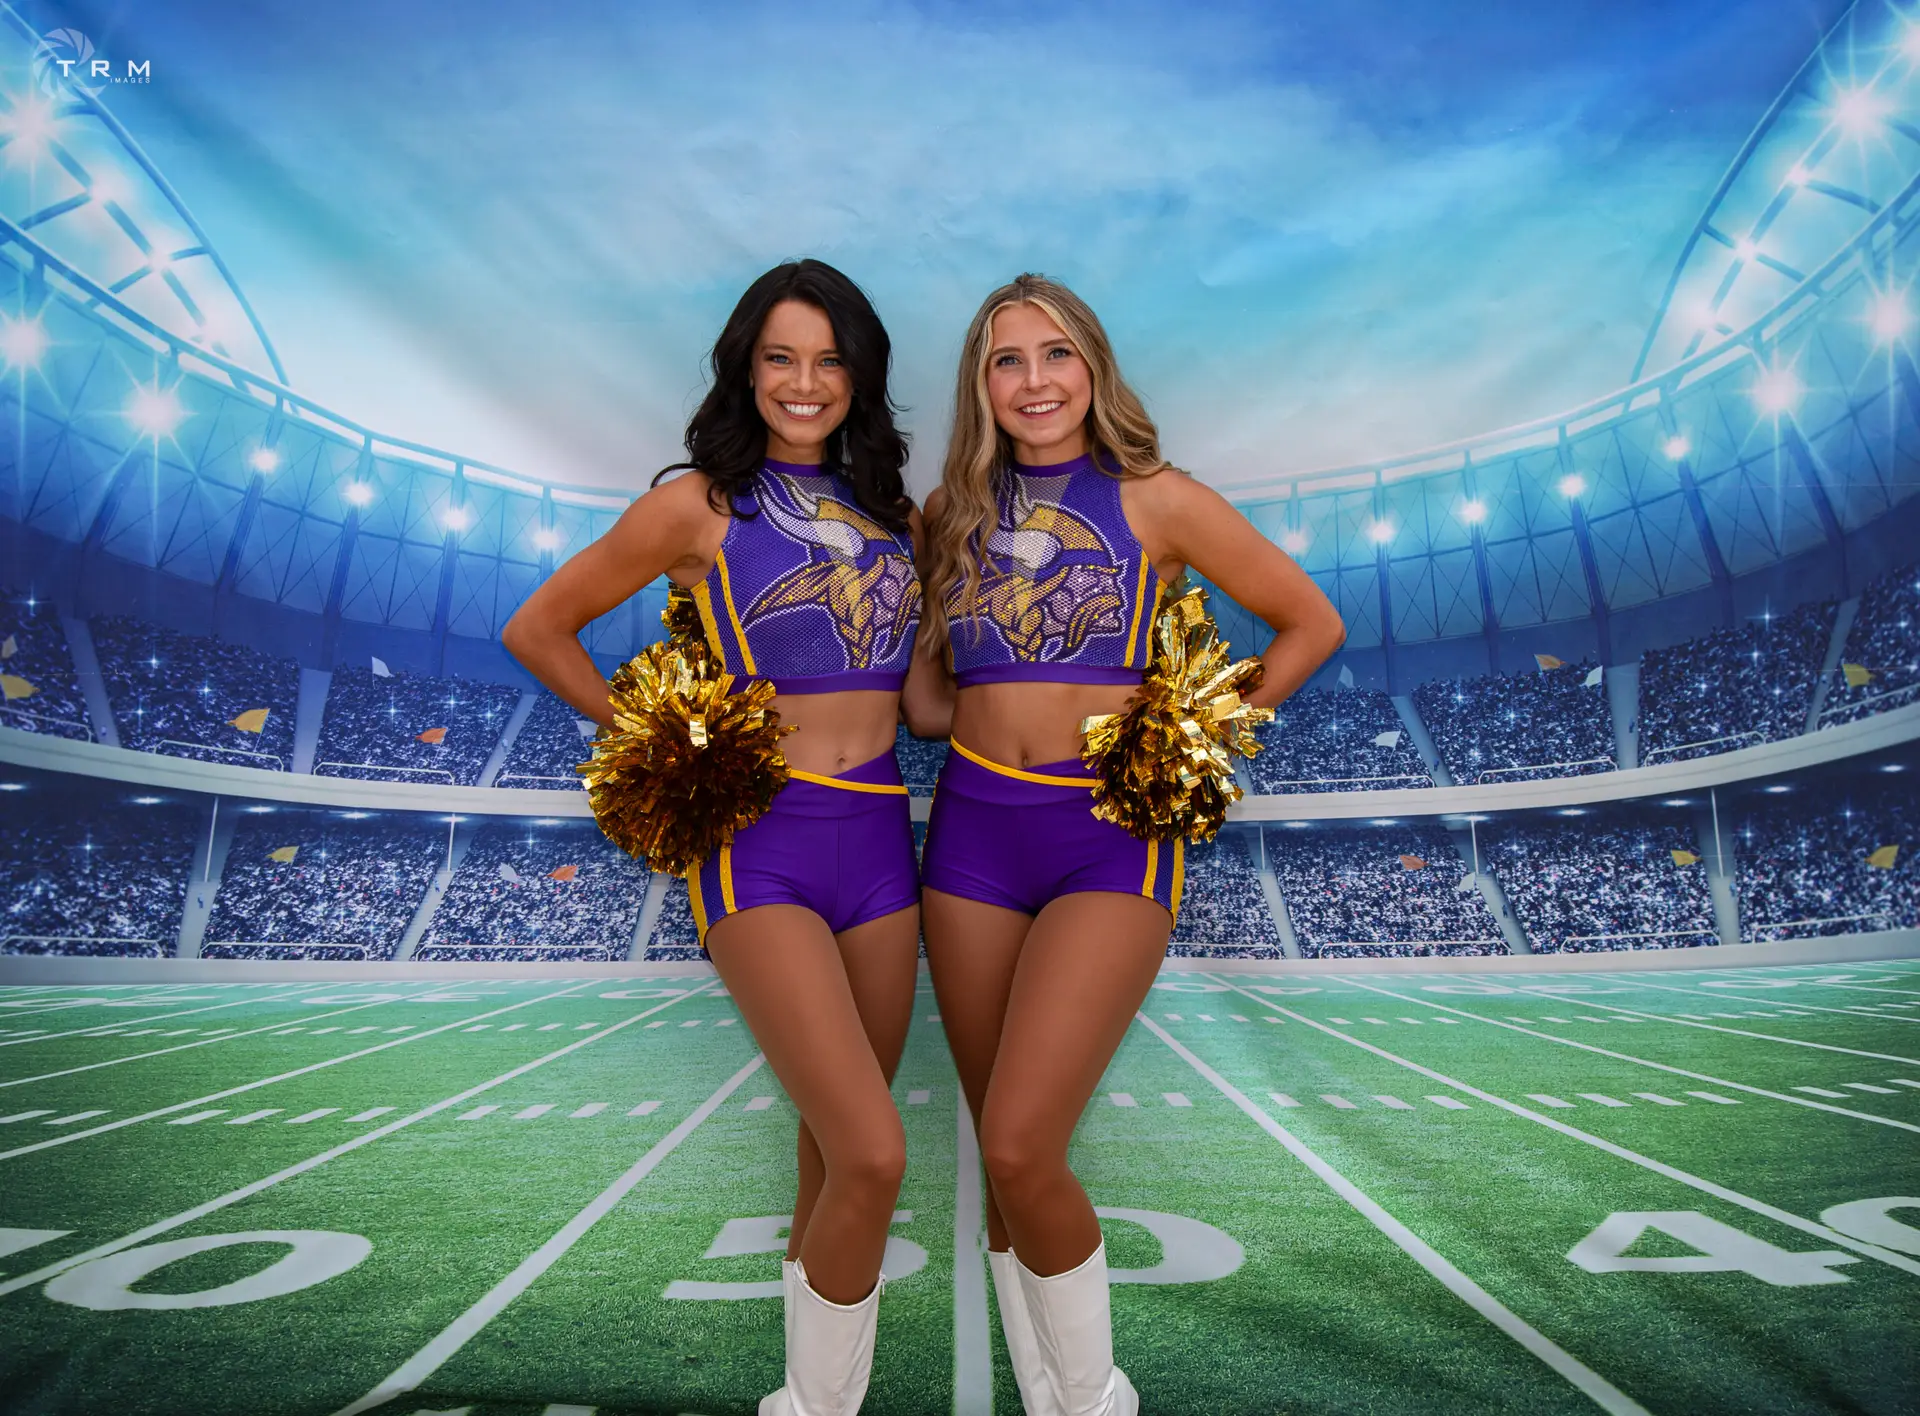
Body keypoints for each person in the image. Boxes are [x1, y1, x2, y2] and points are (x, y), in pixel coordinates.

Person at [906, 273, 1345, 1415]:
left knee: (1018, 1143)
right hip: (970, 836)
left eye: (1057, 354)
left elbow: (1312, 622)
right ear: (981, 384)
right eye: (1008, 360)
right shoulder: (943, 516)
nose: (1035, 380)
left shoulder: (1159, 499)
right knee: (1000, 1163)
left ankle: (1097, 1400)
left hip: (1110, 838)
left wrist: (1198, 730)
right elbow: (925, 708)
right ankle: (1047, 1397)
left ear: (1092, 367)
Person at [504, 259, 922, 1416]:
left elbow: (930, 688)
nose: (805, 381)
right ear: (747, 366)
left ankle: (808, 1396)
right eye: (781, 356)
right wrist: (661, 731)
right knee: (877, 1156)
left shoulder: (898, 513)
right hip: (761, 843)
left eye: (830, 358)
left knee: (834, 1155)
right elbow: (539, 627)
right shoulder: (695, 505)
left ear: (860, 375)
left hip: (884, 845)